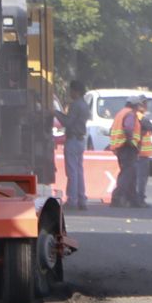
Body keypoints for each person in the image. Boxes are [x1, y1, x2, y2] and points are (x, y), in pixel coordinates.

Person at [107, 96, 147, 207]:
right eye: (138, 105)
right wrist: (131, 142)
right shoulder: (130, 114)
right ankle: (117, 197)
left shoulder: (121, 113)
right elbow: (128, 129)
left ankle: (132, 199)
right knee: (127, 174)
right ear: (134, 105)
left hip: (121, 147)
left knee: (131, 174)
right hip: (127, 147)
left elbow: (112, 130)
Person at [57, 80, 89, 210]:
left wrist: (56, 113)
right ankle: (82, 199)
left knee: (72, 172)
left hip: (73, 140)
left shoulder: (75, 105)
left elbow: (68, 122)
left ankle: (72, 200)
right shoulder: (84, 104)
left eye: (71, 90)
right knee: (79, 171)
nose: (70, 93)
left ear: (77, 91)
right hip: (80, 140)